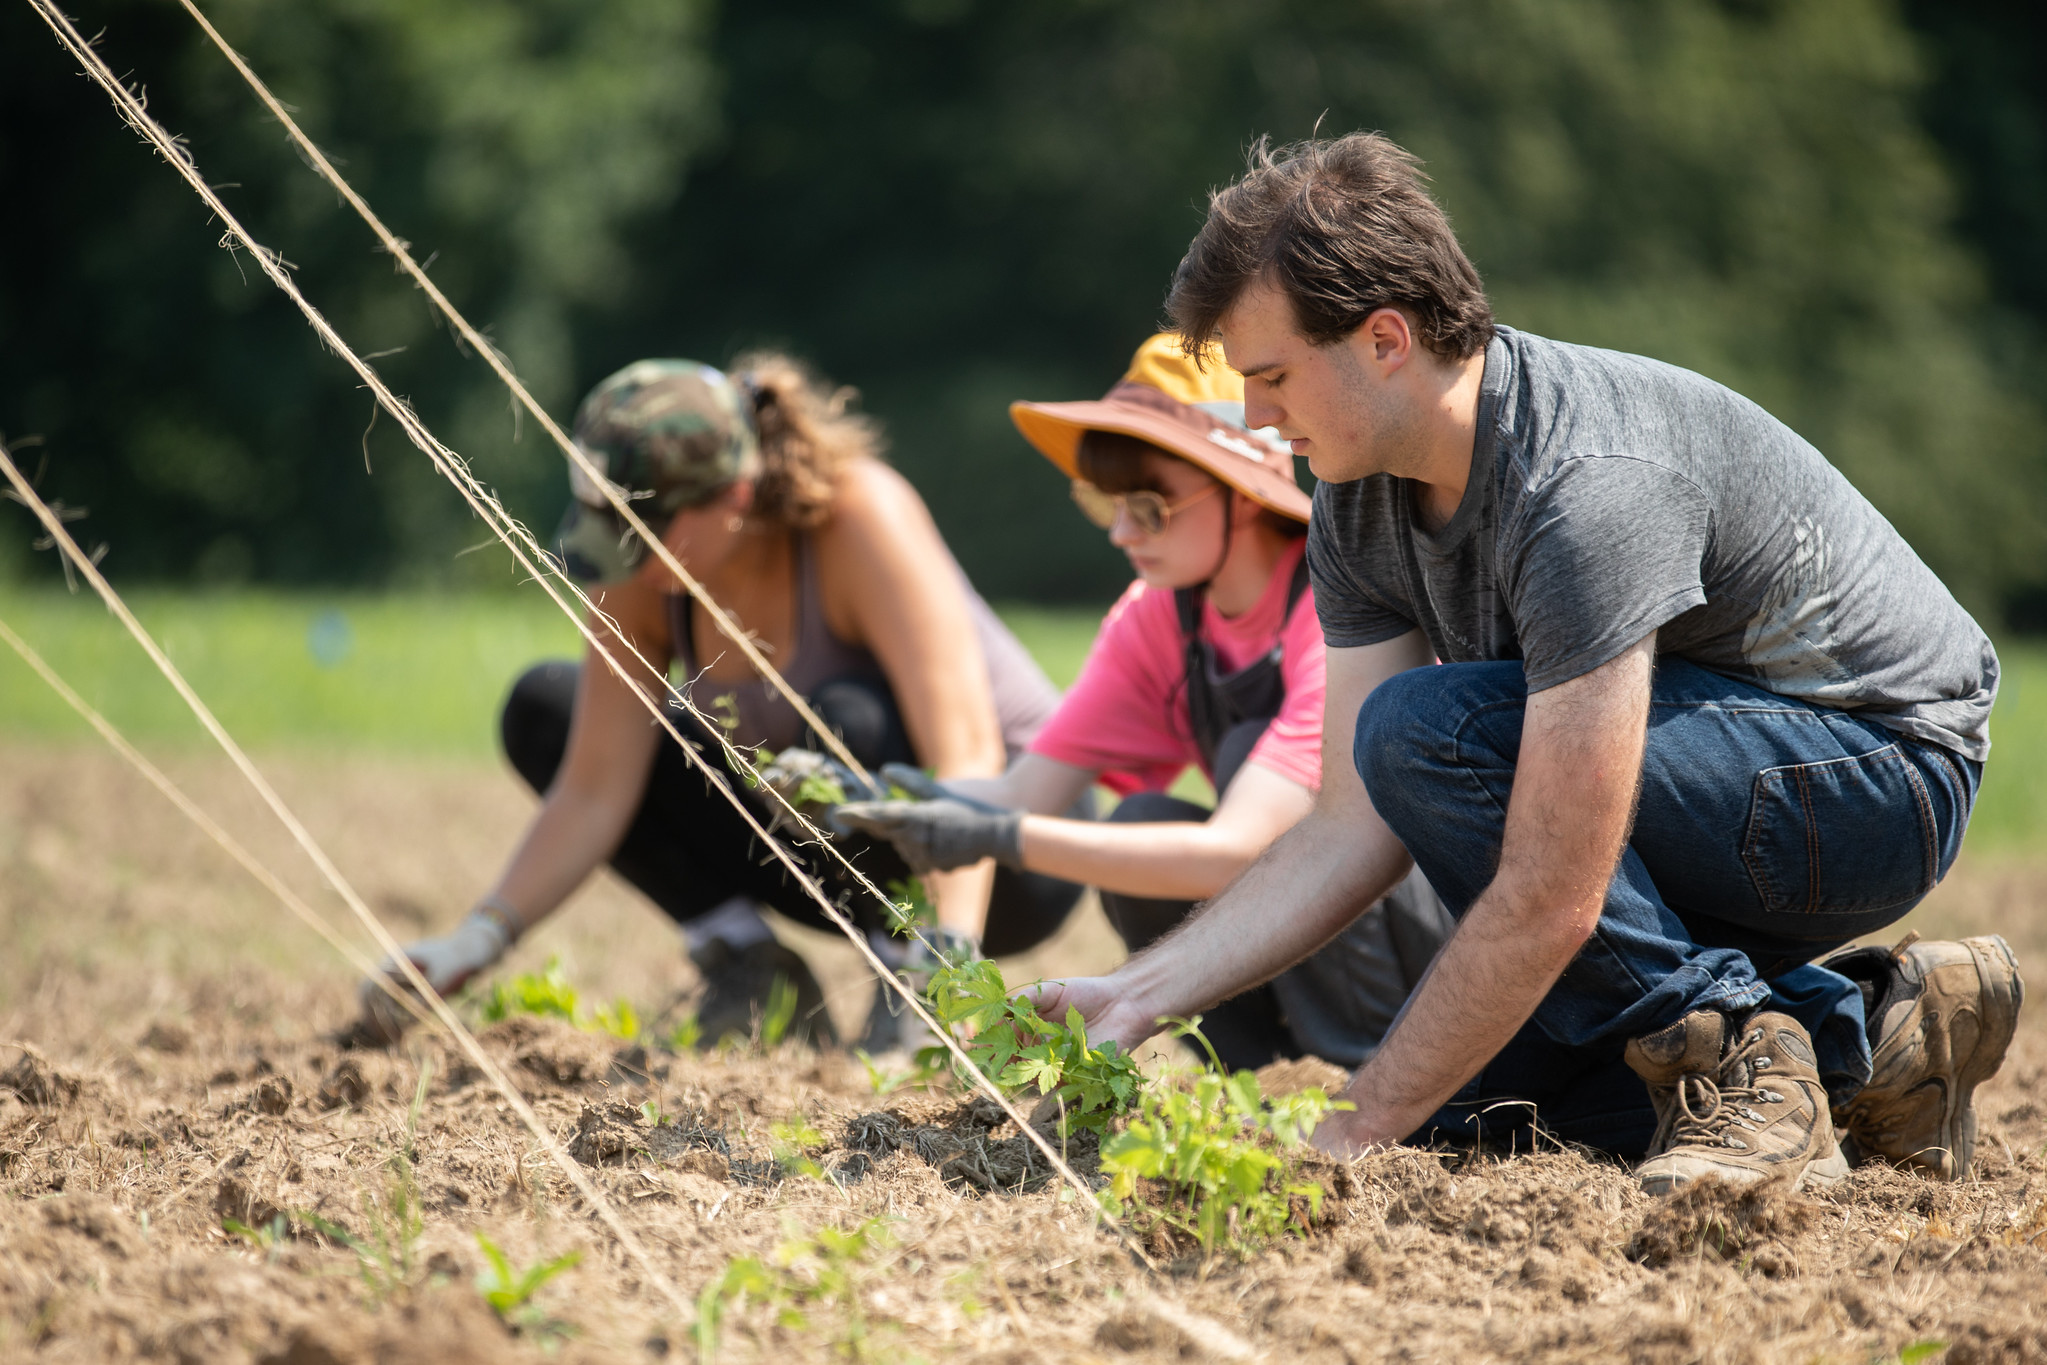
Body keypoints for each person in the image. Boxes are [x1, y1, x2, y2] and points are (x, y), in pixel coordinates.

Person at [1033, 133, 2022, 1194]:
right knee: (1482, 1112)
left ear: (1383, 340)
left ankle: (1739, 1056)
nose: (1254, 420)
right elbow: (1347, 822)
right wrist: (1144, 992)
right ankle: (1880, 1034)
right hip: (1712, 792)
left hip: (1876, 773)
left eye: (1270, 378)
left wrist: (1354, 1129)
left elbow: (1551, 886)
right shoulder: (1353, 496)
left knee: (1425, 733)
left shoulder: (1585, 484)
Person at [357, 354, 1081, 1046]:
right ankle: (751, 968)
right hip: (827, 853)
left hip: (1016, 849)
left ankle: (908, 978)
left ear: (734, 496)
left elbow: (966, 753)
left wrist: (945, 962)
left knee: (843, 720)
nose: (620, 555)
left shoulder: (860, 515)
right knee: (545, 707)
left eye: (639, 530)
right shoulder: (644, 565)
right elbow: (594, 788)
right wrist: (477, 938)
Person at [837, 334, 1451, 1070]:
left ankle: (1378, 1074)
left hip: (1423, 929)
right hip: (1294, 919)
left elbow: (1238, 849)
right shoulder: (1156, 614)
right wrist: (876, 796)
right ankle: (1255, 1079)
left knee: (1240, 771)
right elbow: (1021, 791)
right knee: (1144, 820)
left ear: (1243, 491)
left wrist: (1002, 837)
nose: (1123, 533)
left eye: (1149, 507)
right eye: (1105, 504)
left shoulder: (1336, 606)